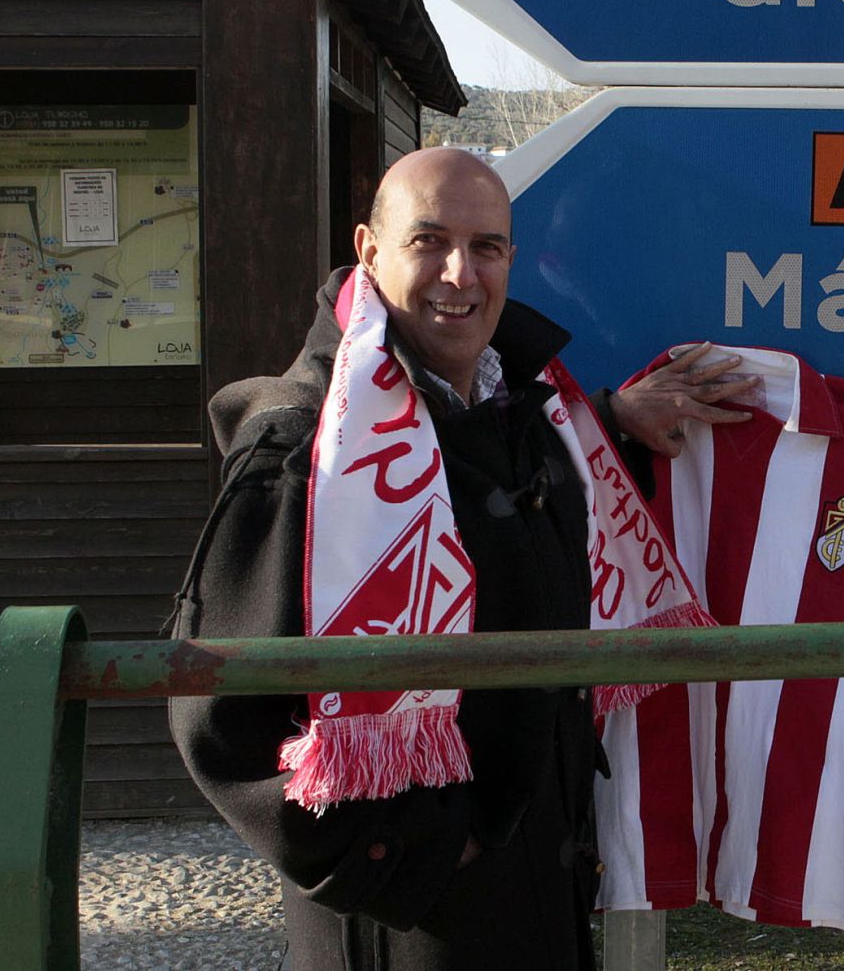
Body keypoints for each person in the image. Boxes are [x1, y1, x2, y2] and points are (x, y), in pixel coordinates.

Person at [170, 147, 753, 970]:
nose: (459, 273)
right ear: (369, 250)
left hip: (542, 896)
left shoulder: (527, 404)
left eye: (485, 247)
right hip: (412, 924)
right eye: (429, 241)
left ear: (511, 258)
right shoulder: (307, 450)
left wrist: (613, 421)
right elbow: (217, 714)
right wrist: (420, 853)